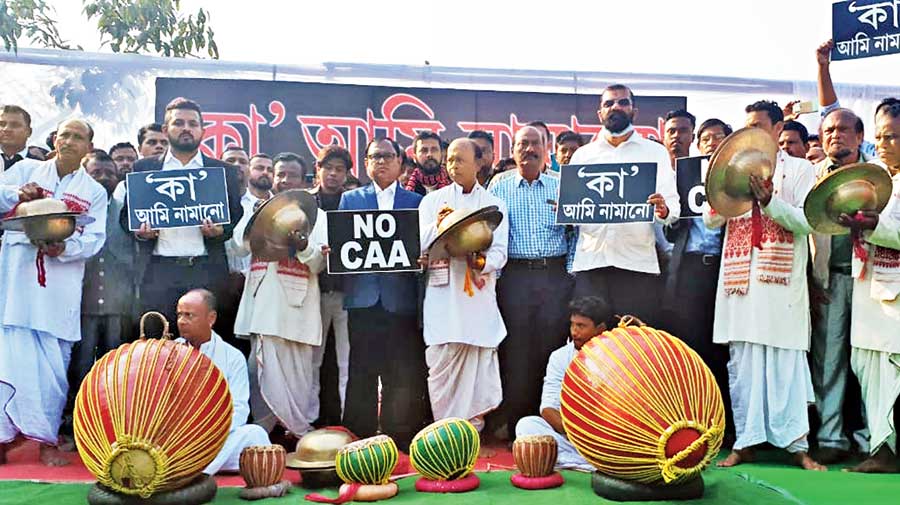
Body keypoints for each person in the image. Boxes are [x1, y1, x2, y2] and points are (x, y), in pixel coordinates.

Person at [709, 100, 824, 471]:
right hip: (740, 285)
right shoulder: (733, 166)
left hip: (781, 285)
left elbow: (807, 223)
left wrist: (769, 200)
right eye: (746, 126)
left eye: (758, 125)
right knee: (744, 364)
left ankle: (797, 446)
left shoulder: (801, 169)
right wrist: (725, 195)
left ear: (777, 129)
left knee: (786, 362)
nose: (750, 133)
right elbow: (712, 221)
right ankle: (745, 443)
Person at [0, 118, 107, 466]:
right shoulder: (25, 171)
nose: (70, 141)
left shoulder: (93, 191)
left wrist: (65, 248)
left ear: (88, 147)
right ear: (54, 140)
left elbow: (94, 239)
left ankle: (46, 440)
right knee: (8, 361)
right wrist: (17, 195)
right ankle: (2, 440)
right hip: (16, 286)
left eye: (78, 137)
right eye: (65, 135)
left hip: (59, 289)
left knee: (53, 366)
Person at [121, 97, 244, 338]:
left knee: (205, 344)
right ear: (166, 130)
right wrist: (141, 232)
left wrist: (221, 231)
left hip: (206, 270)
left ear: (202, 131)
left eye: (192, 123)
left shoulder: (222, 171)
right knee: (157, 342)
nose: (186, 128)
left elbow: (235, 214)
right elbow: (126, 218)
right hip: (158, 271)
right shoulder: (143, 168)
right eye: (179, 123)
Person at [340, 138, 428, 450]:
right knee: (361, 370)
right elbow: (343, 249)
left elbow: (422, 248)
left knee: (401, 372)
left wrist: (422, 259)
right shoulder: (349, 200)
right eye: (375, 156)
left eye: (388, 156)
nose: (381, 161)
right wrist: (333, 251)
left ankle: (399, 435)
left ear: (401, 163)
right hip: (363, 299)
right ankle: (358, 435)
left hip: (400, 299)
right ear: (365, 163)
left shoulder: (416, 202)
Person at [419, 138, 509, 439]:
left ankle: (472, 432)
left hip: (478, 296)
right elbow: (417, 245)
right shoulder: (432, 201)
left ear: (479, 162)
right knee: (441, 359)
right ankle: (445, 433)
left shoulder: (494, 204)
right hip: (442, 296)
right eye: (450, 160)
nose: (453, 165)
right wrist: (440, 227)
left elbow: (500, 253)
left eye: (460, 159)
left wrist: (478, 260)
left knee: (478, 361)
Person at [568, 84, 680, 326]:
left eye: (622, 102)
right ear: (600, 114)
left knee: (634, 345)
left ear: (633, 111)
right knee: (591, 345)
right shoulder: (583, 156)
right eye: (609, 103)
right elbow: (573, 216)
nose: (615, 107)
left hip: (636, 265)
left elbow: (674, 208)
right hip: (592, 264)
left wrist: (663, 210)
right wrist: (567, 209)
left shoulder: (655, 153)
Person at [489, 126, 575, 439]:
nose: (529, 149)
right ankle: (519, 431)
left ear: (546, 149)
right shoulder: (500, 186)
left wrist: (569, 274)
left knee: (552, 350)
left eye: (535, 143)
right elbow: (492, 234)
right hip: (516, 277)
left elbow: (574, 234)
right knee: (516, 352)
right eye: (522, 144)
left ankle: (553, 430)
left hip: (555, 276)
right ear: (513, 151)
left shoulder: (562, 185)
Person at [234, 152, 326, 438]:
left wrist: (302, 243)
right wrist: (259, 220)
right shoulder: (257, 210)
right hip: (262, 310)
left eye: (292, 175)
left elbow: (318, 263)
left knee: (299, 376)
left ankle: (299, 435)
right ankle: (262, 437)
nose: (285, 180)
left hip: (297, 310)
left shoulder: (317, 215)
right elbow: (238, 246)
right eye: (280, 174)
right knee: (258, 374)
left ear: (303, 180)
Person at [808, 107, 876, 464]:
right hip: (829, 279)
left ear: (861, 136)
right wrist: (810, 280)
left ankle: (872, 440)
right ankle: (830, 437)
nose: (836, 135)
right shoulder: (812, 176)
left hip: (871, 281)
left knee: (869, 362)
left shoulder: (880, 176)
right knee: (828, 363)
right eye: (829, 129)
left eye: (844, 129)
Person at [662, 117, 733, 443]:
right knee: (689, 346)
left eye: (718, 137)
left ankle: (724, 424)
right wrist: (669, 215)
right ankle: (690, 421)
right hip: (688, 270)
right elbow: (670, 231)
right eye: (706, 138)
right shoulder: (682, 178)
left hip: (724, 269)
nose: (711, 142)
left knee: (720, 347)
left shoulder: (735, 179)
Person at [842, 100, 900, 473]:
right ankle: (880, 446)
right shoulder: (870, 177)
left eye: (893, 136)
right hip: (866, 286)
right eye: (880, 137)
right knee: (865, 363)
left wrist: (875, 225)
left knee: (893, 371)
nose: (884, 144)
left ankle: (887, 452)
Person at [174, 289, 270, 475]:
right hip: (175, 440)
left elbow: (240, 409)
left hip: (214, 439)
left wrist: (208, 432)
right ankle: (190, 470)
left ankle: (193, 473)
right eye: (179, 315)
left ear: (211, 318)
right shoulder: (168, 352)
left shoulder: (232, 357)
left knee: (255, 435)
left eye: (189, 316)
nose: (181, 321)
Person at [69, 150, 136, 407]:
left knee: (115, 368)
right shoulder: (73, 208)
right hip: (82, 303)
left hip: (118, 305)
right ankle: (76, 419)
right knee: (81, 364)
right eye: (96, 173)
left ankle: (111, 420)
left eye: (110, 173)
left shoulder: (125, 210)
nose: (104, 178)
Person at [515, 296, 612, 471]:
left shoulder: (619, 355)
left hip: (610, 436)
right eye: (572, 325)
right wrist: (577, 434)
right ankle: (591, 464)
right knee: (526, 426)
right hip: (573, 437)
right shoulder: (560, 357)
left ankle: (581, 461)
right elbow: (548, 408)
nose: (574, 332)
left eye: (581, 326)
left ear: (601, 329)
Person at [309, 146, 351, 425]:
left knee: (347, 362)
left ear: (347, 174)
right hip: (314, 292)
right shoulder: (305, 203)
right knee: (312, 361)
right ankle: (307, 421)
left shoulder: (355, 202)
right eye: (329, 168)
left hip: (349, 294)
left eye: (339, 169)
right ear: (318, 169)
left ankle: (349, 420)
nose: (333, 174)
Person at [405, 131, 451, 195]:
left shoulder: (453, 187)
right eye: (424, 150)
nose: (429, 154)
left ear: (442, 154)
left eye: (434, 149)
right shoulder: (405, 188)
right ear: (414, 157)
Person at [0, 105, 37, 170]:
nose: (6, 129)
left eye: (14, 125)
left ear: (29, 132)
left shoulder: (42, 161)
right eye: (1, 124)